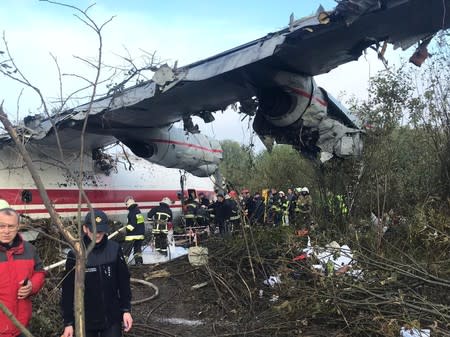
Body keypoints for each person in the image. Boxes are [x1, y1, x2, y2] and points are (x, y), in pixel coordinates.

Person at [62, 209, 133, 337]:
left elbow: (123, 283)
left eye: (100, 231)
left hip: (111, 319)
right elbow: (68, 291)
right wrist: (68, 322)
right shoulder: (76, 254)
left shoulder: (114, 249)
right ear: (85, 228)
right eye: (93, 230)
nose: (97, 234)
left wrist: (126, 310)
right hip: (85, 321)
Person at [0, 200, 46, 337]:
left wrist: (32, 286)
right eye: (1, 226)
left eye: (11, 226)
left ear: (18, 227)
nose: (6, 231)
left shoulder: (29, 249)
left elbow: (40, 273)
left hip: (21, 327)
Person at [123, 197, 146, 265]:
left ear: (128, 204)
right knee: (137, 250)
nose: (126, 206)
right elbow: (140, 223)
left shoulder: (132, 212)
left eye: (126, 205)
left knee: (126, 251)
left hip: (132, 235)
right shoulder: (138, 211)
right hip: (140, 234)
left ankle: (123, 263)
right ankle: (138, 262)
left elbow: (132, 224)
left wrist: (126, 229)